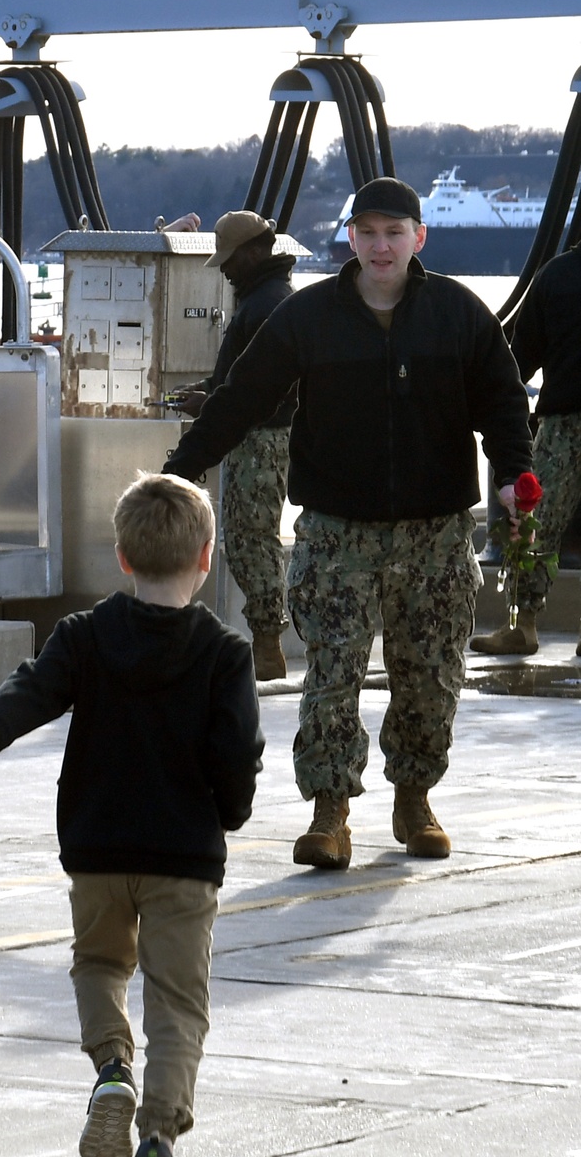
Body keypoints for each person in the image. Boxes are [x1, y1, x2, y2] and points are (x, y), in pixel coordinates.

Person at [162, 177, 532, 870]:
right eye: (368, 233)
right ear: (351, 239)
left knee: (430, 676)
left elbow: (505, 403)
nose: (381, 246)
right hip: (336, 534)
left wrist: (513, 476)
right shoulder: (310, 317)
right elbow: (241, 397)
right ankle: (329, 813)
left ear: (419, 237)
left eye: (395, 232)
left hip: (437, 534)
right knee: (330, 675)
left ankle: (414, 797)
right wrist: (183, 470)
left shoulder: (457, 314)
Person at [0, 472, 263, 1157]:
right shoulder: (224, 652)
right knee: (179, 1003)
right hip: (183, 857)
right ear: (206, 557)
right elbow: (236, 756)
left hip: (97, 848)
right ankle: (156, 1142)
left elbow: (35, 686)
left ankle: (111, 1069)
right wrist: (231, 814)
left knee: (98, 965)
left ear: (122, 557)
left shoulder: (84, 635)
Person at [172, 210, 297, 680]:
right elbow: (241, 377)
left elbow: (261, 389)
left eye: (228, 259)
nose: (223, 268)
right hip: (252, 434)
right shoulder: (264, 299)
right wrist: (210, 389)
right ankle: (267, 644)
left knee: (250, 540)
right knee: (247, 538)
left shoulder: (266, 306)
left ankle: (268, 646)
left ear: (250, 253)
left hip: (260, 440)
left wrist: (212, 402)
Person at [470, 241, 581, 656]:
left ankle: (522, 622)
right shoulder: (555, 276)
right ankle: (520, 623)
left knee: (535, 526)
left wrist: (499, 406)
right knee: (534, 525)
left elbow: (521, 356)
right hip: (561, 420)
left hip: (562, 421)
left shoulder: (555, 275)